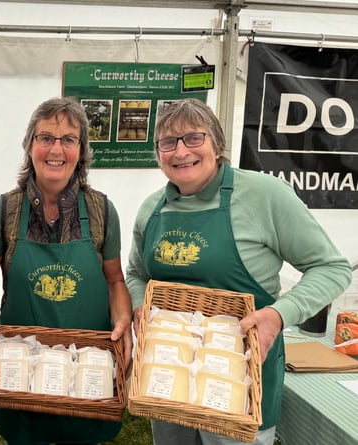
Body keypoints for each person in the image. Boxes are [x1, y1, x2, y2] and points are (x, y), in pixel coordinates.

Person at [125, 98, 352, 445]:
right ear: (158, 154)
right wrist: (141, 304)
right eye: (168, 142)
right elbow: (136, 273)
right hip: (168, 377)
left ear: (218, 144)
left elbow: (331, 267)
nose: (180, 151)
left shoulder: (264, 195)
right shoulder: (152, 209)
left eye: (193, 138)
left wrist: (278, 315)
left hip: (241, 378)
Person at [0, 96, 133, 445]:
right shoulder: (4, 211)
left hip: (88, 365)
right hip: (20, 369)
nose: (55, 149)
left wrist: (124, 323)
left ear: (81, 149)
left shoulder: (103, 210)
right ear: (30, 146)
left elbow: (115, 279)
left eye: (68, 139)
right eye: (45, 138)